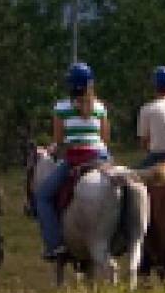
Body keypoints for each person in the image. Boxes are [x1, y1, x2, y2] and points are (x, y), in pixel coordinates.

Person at [32, 62, 111, 260]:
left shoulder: (61, 107)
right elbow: (104, 139)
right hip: (100, 157)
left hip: (77, 158)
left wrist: (50, 148)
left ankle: (54, 245)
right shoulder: (100, 107)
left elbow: (59, 141)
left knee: (42, 196)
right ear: (90, 84)